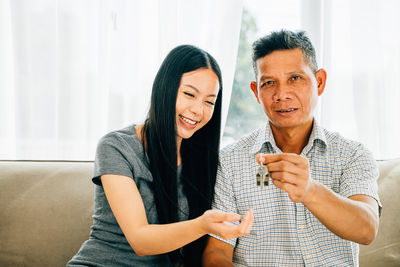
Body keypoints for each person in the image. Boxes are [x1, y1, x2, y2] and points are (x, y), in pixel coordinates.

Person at [202, 30, 381, 266]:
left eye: (295, 78)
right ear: (256, 92)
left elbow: (367, 229)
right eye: (269, 83)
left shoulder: (353, 154)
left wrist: (309, 190)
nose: (282, 94)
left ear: (319, 82)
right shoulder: (229, 161)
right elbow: (216, 253)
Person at [68, 45, 254, 267]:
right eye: (189, 94)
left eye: (209, 101)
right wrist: (203, 225)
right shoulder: (117, 146)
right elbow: (140, 240)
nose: (198, 110)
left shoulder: (202, 159)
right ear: (165, 88)